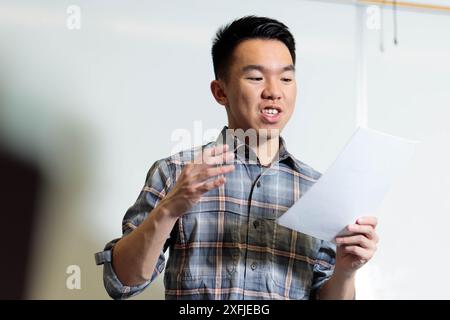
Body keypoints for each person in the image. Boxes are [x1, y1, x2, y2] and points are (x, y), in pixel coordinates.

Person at [95, 15, 378, 300]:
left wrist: (345, 271)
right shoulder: (176, 173)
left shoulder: (319, 190)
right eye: (256, 78)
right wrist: (169, 209)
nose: (274, 92)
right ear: (221, 91)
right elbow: (121, 283)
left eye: (286, 78)